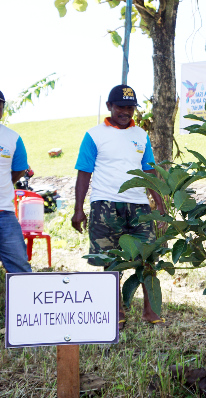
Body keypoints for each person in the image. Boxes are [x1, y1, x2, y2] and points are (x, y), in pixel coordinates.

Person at [72, 84, 168, 327]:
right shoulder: (94, 135)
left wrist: (159, 204)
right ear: (109, 107)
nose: (126, 112)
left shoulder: (140, 135)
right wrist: (78, 209)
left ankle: (150, 311)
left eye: (130, 108)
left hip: (138, 207)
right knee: (110, 259)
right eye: (121, 107)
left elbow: (149, 172)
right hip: (104, 205)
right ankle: (117, 312)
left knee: (148, 258)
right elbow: (84, 173)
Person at [0, 90, 32, 274]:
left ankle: (25, 302)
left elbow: (20, 168)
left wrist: (5, 182)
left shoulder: (12, 138)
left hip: (4, 213)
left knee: (20, 269)